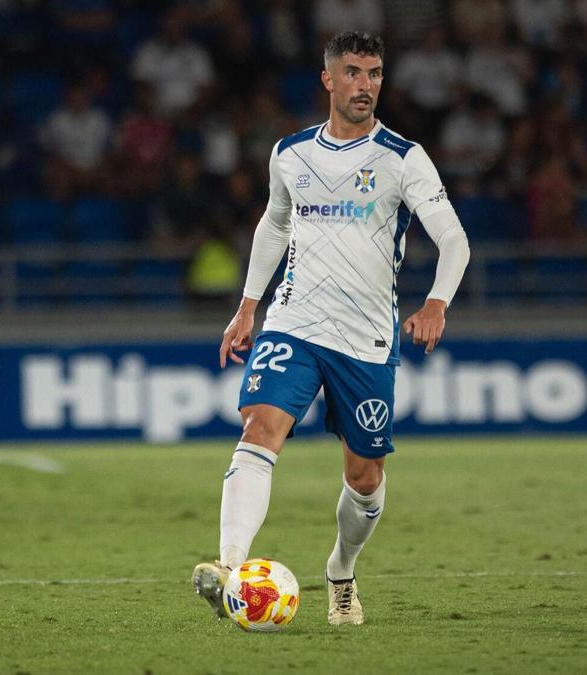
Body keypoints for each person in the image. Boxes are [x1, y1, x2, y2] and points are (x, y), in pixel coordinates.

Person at [191, 31, 471, 627]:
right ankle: (229, 567)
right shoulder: (291, 154)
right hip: (293, 322)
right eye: (353, 73)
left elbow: (453, 239)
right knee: (260, 426)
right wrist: (248, 306)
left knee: (365, 476)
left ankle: (341, 569)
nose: (365, 85)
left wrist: (437, 303)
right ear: (328, 79)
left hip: (366, 338)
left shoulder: (402, 157)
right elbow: (273, 225)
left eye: (374, 74)